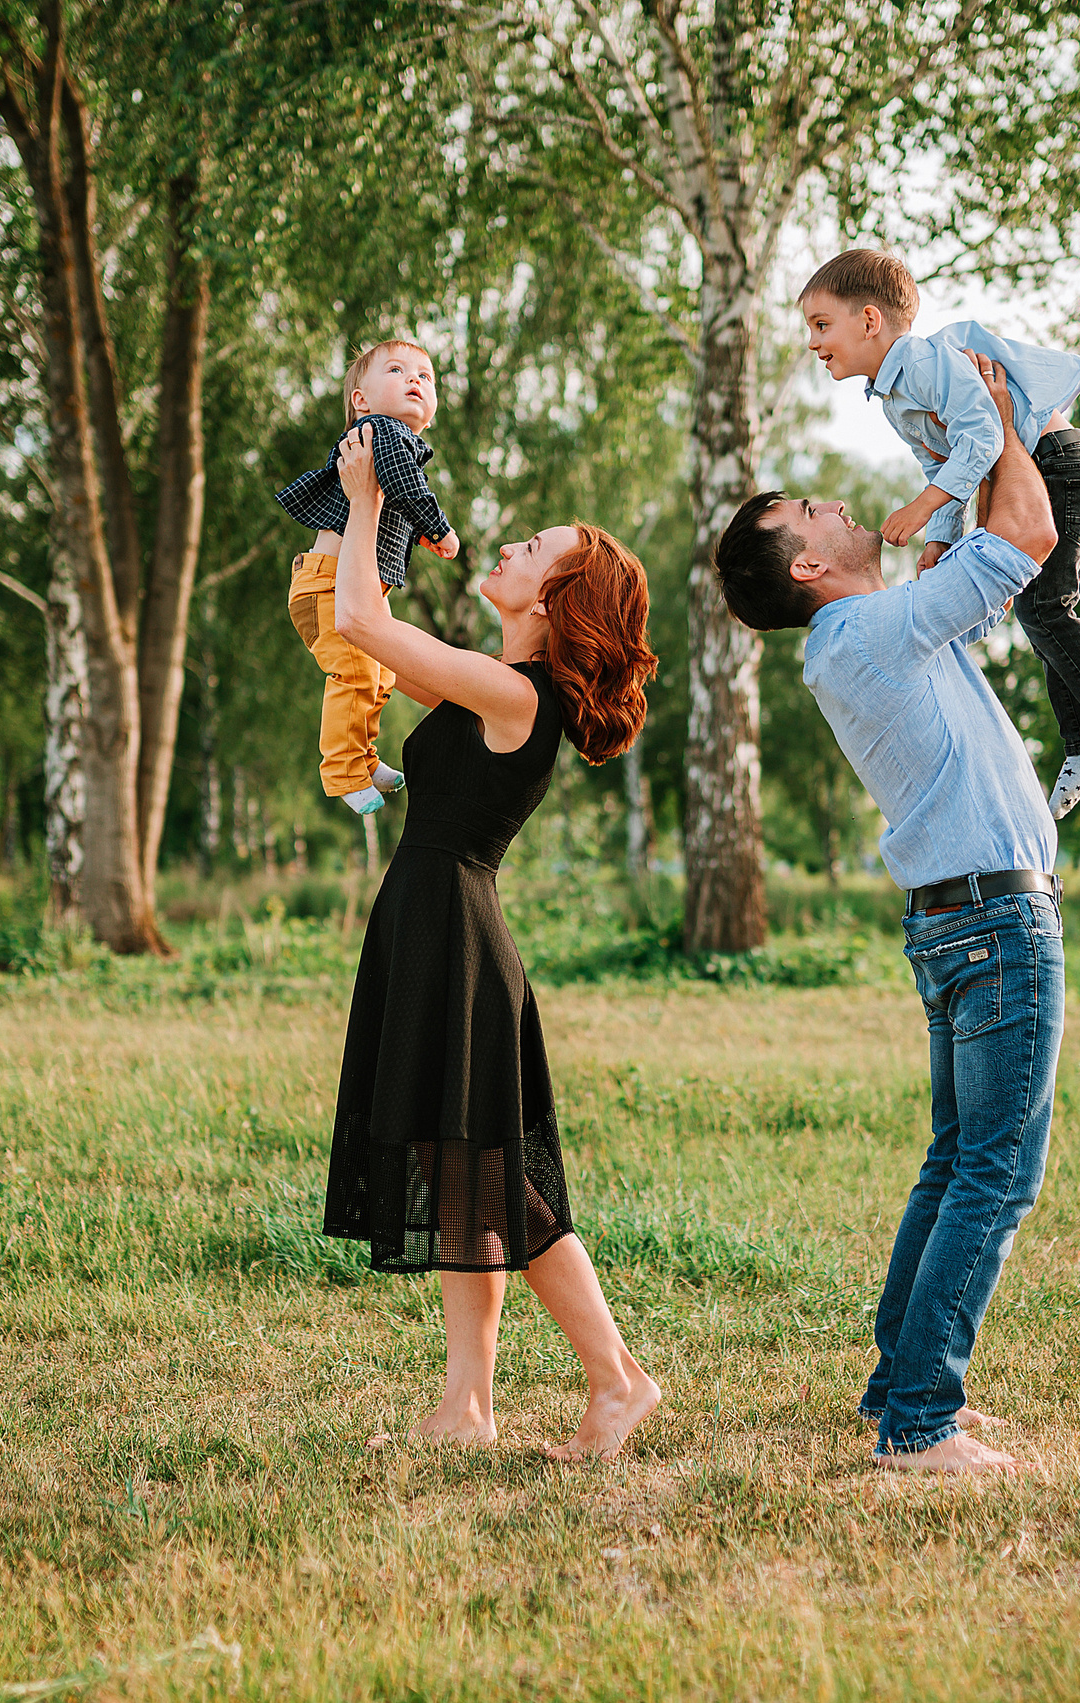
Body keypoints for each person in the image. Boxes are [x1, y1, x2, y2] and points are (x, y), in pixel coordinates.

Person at [714, 352, 1065, 1476]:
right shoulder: (870, 631)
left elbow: (977, 541)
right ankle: (919, 1418)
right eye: (815, 508)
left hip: (961, 916)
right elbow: (1028, 540)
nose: (838, 501)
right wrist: (1000, 422)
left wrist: (961, 459)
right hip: (994, 924)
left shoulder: (872, 629)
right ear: (808, 561)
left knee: (956, 1156)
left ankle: (897, 1378)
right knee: (995, 1170)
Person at [319, 418, 663, 1462]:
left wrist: (372, 494)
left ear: (556, 601)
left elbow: (366, 621)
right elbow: (364, 648)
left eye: (532, 550)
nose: (508, 548)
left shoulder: (515, 696)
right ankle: (467, 1401)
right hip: (434, 921)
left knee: (493, 1177)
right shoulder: (490, 684)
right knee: (457, 1168)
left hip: (454, 932)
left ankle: (619, 1376)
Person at [797, 248, 1080, 817]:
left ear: (869, 321)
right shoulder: (893, 397)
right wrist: (939, 537)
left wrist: (923, 508)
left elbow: (985, 436)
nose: (813, 343)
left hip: (1057, 462)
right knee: (1041, 615)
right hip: (1037, 469)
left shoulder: (923, 361)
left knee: (1046, 611)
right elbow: (945, 466)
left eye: (821, 326)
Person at [275, 340, 462, 816]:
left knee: (378, 676)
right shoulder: (381, 431)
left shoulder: (391, 442)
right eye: (398, 371)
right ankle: (341, 771)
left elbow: (393, 499)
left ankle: (363, 757)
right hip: (329, 586)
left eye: (426, 375)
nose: (415, 380)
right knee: (356, 674)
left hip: (348, 587)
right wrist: (438, 527)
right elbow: (405, 485)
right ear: (362, 400)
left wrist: (417, 532)